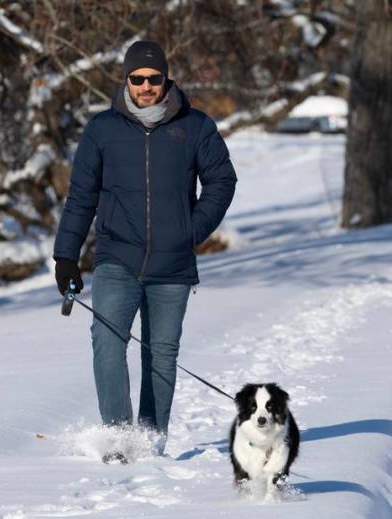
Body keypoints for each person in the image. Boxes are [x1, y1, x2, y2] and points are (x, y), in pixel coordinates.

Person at [53, 40, 237, 459]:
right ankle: (119, 439)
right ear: (126, 79)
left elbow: (222, 182)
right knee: (108, 339)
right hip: (117, 256)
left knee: (161, 354)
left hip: (173, 264)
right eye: (138, 79)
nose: (146, 86)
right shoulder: (102, 129)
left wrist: (191, 230)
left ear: (165, 79)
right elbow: (81, 196)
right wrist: (66, 256)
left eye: (154, 79)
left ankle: (151, 441)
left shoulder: (195, 126)